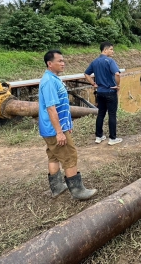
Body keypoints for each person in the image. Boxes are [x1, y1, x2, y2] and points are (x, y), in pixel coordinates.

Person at [39, 50, 97, 200]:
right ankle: (78, 192)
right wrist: (59, 131)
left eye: (63, 60)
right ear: (49, 63)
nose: (63, 63)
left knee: (53, 156)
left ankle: (57, 187)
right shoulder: (49, 82)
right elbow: (51, 109)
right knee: (69, 156)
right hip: (54, 129)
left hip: (52, 127)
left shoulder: (53, 78)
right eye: (60, 61)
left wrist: (67, 123)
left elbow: (61, 106)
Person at [84, 41, 122, 145]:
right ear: (105, 50)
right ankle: (112, 138)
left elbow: (86, 74)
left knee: (101, 114)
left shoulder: (95, 61)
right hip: (110, 91)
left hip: (100, 92)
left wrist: (93, 83)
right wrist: (118, 85)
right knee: (112, 114)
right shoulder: (110, 61)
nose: (113, 51)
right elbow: (117, 74)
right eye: (111, 49)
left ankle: (99, 136)